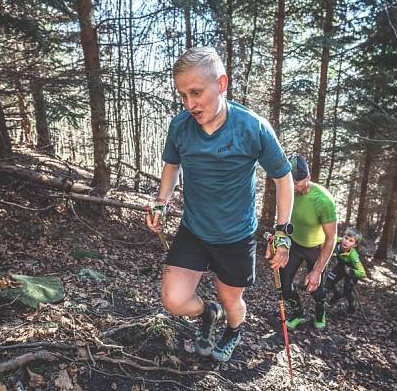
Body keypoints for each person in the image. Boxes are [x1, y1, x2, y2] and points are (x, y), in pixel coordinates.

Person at [145, 46, 294, 363]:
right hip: (194, 229)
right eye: (183, 95)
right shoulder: (180, 127)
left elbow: (284, 178)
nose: (189, 104)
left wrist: (283, 232)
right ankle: (208, 313)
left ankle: (233, 330)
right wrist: (161, 201)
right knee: (174, 299)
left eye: (196, 92)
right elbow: (172, 165)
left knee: (232, 301)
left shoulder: (252, 127)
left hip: (235, 235)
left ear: (222, 83)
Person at [279, 154, 337, 330]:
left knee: (315, 288)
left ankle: (320, 311)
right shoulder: (289, 190)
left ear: (308, 178)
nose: (293, 187)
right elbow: (283, 219)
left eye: (296, 183)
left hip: (315, 249)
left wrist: (317, 271)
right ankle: (299, 314)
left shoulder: (323, 201)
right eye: (290, 182)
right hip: (295, 245)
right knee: (285, 288)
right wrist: (280, 243)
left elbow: (331, 238)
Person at [326, 227, 366, 314]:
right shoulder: (337, 241)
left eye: (351, 241)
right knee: (329, 281)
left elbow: (363, 273)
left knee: (347, 291)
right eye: (346, 238)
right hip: (341, 266)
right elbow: (327, 238)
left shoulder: (353, 256)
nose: (346, 241)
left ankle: (352, 304)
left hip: (351, 271)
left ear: (355, 245)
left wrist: (352, 272)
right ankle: (337, 294)